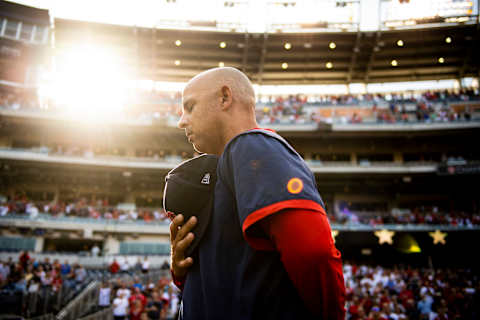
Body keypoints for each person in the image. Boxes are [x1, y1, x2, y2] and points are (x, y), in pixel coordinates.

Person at [170, 67, 346, 319]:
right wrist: (180, 268)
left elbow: (312, 253)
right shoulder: (222, 170)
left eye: (190, 106)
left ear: (224, 97)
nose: (181, 121)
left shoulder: (253, 145)